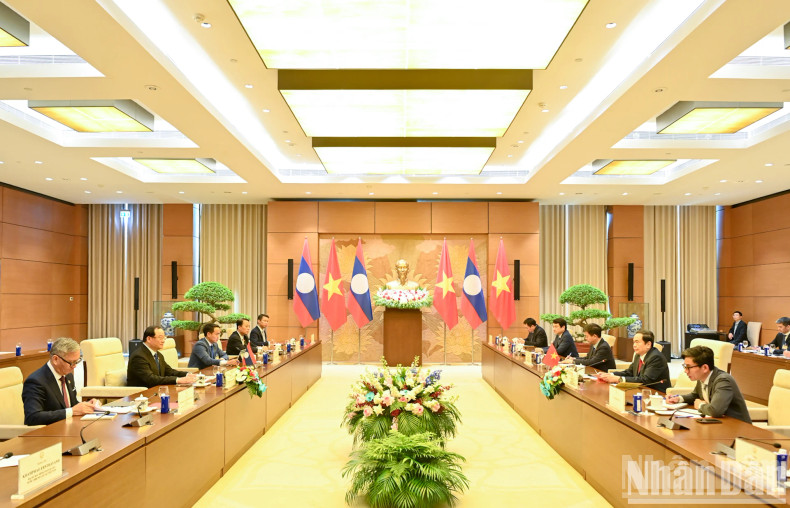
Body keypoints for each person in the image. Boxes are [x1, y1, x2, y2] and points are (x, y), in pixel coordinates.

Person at [22, 337, 100, 426]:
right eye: (71, 362)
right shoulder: (36, 382)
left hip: (68, 426)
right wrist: (72, 411)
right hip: (48, 431)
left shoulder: (68, 376)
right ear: (55, 359)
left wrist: (88, 406)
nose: (74, 366)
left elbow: (71, 405)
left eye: (77, 361)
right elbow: (33, 417)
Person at [666, 346, 751, 423]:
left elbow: (716, 411)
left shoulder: (723, 381)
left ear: (705, 368)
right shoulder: (702, 377)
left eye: (689, 367)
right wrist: (678, 399)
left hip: (737, 427)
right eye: (685, 366)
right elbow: (695, 396)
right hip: (717, 423)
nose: (685, 371)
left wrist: (700, 405)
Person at [597, 330, 670, 392]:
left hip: (656, 394)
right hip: (640, 390)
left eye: (637, 342)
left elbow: (645, 380)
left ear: (648, 344)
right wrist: (610, 375)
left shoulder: (656, 357)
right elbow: (630, 372)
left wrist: (619, 379)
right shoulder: (638, 355)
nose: (634, 345)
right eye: (634, 342)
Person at [127, 326, 196, 388]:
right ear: (149, 339)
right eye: (160, 338)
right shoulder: (139, 357)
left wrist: (187, 375)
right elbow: (151, 379)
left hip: (157, 389)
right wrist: (178, 380)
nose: (163, 341)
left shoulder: (158, 354)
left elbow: (169, 371)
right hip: (143, 393)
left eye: (164, 338)